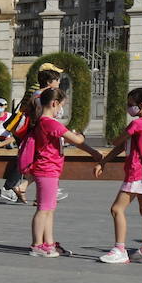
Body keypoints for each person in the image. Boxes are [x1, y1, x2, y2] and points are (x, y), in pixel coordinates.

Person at [25, 87, 100, 257]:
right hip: (47, 169)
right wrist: (81, 135)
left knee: (49, 208)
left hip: (50, 169)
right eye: (61, 106)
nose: (61, 110)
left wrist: (93, 152)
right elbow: (76, 140)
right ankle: (37, 245)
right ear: (54, 103)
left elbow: (73, 141)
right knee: (44, 209)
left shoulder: (44, 122)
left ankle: (49, 243)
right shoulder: (49, 123)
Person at [95, 87, 142, 264]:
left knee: (117, 209)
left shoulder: (137, 124)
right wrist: (104, 161)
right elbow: (122, 147)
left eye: (130, 105)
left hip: (136, 172)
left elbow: (116, 142)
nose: (129, 108)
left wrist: (103, 161)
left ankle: (120, 249)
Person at [0, 64, 65, 203]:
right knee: (42, 162)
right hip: (41, 133)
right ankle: (20, 189)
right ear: (48, 81)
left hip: (35, 132)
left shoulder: (37, 92)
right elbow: (49, 113)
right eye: (57, 79)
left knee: (36, 162)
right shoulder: (42, 94)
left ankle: (28, 190)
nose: (59, 82)